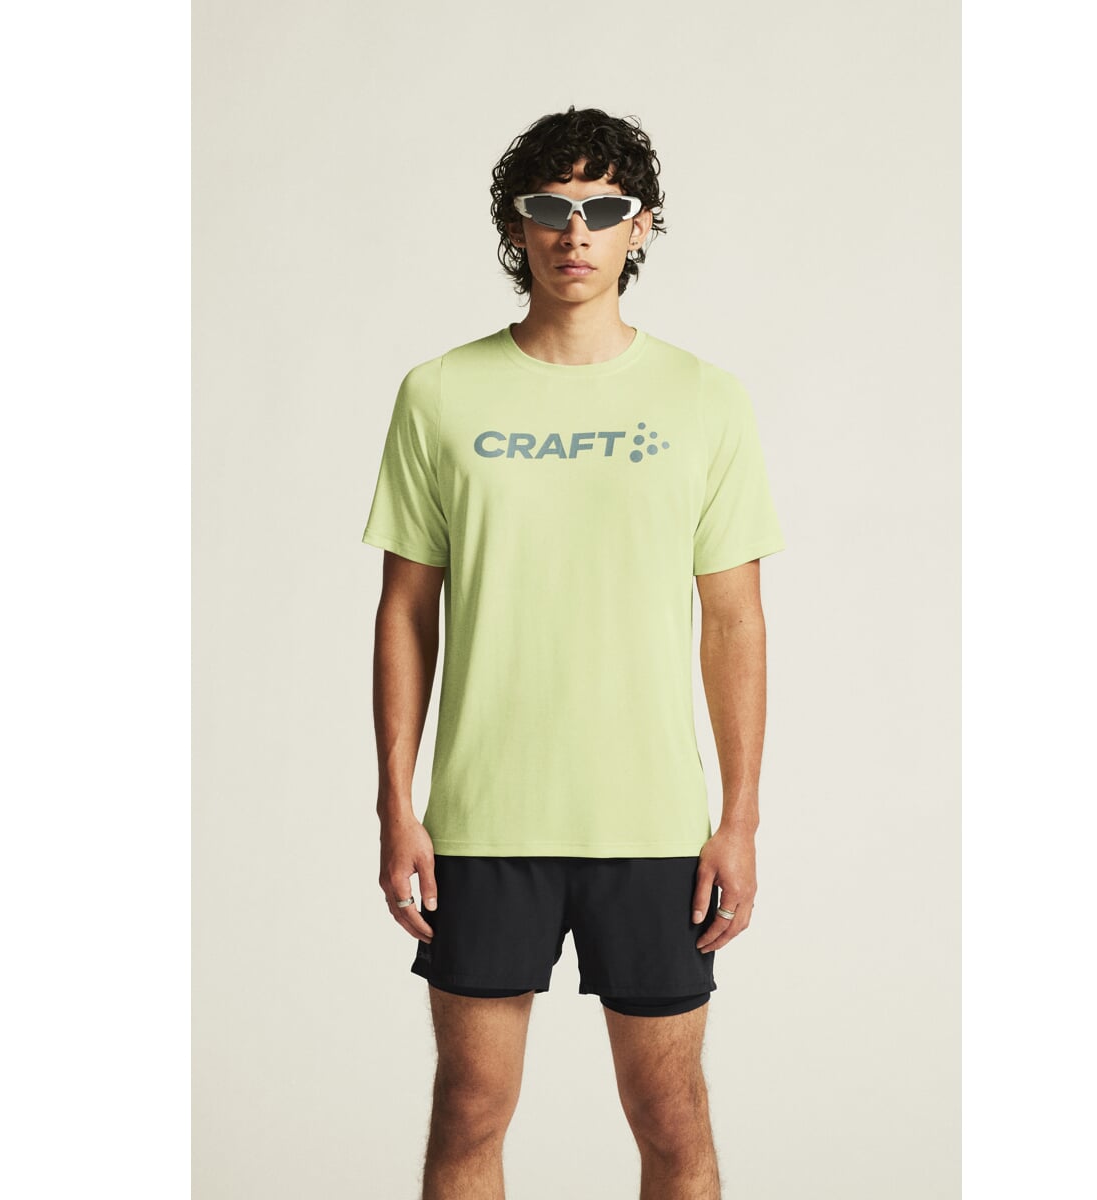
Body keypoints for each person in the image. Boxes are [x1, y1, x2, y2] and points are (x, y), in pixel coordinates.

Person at [361, 105, 786, 1200]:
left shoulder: (704, 399)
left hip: (651, 823)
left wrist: (738, 819)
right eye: (550, 207)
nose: (575, 232)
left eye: (605, 209)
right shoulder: (440, 393)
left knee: (671, 1116)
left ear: (641, 227)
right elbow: (406, 609)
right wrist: (396, 805)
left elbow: (734, 620)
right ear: (518, 224)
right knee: (470, 1108)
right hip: (482, 820)